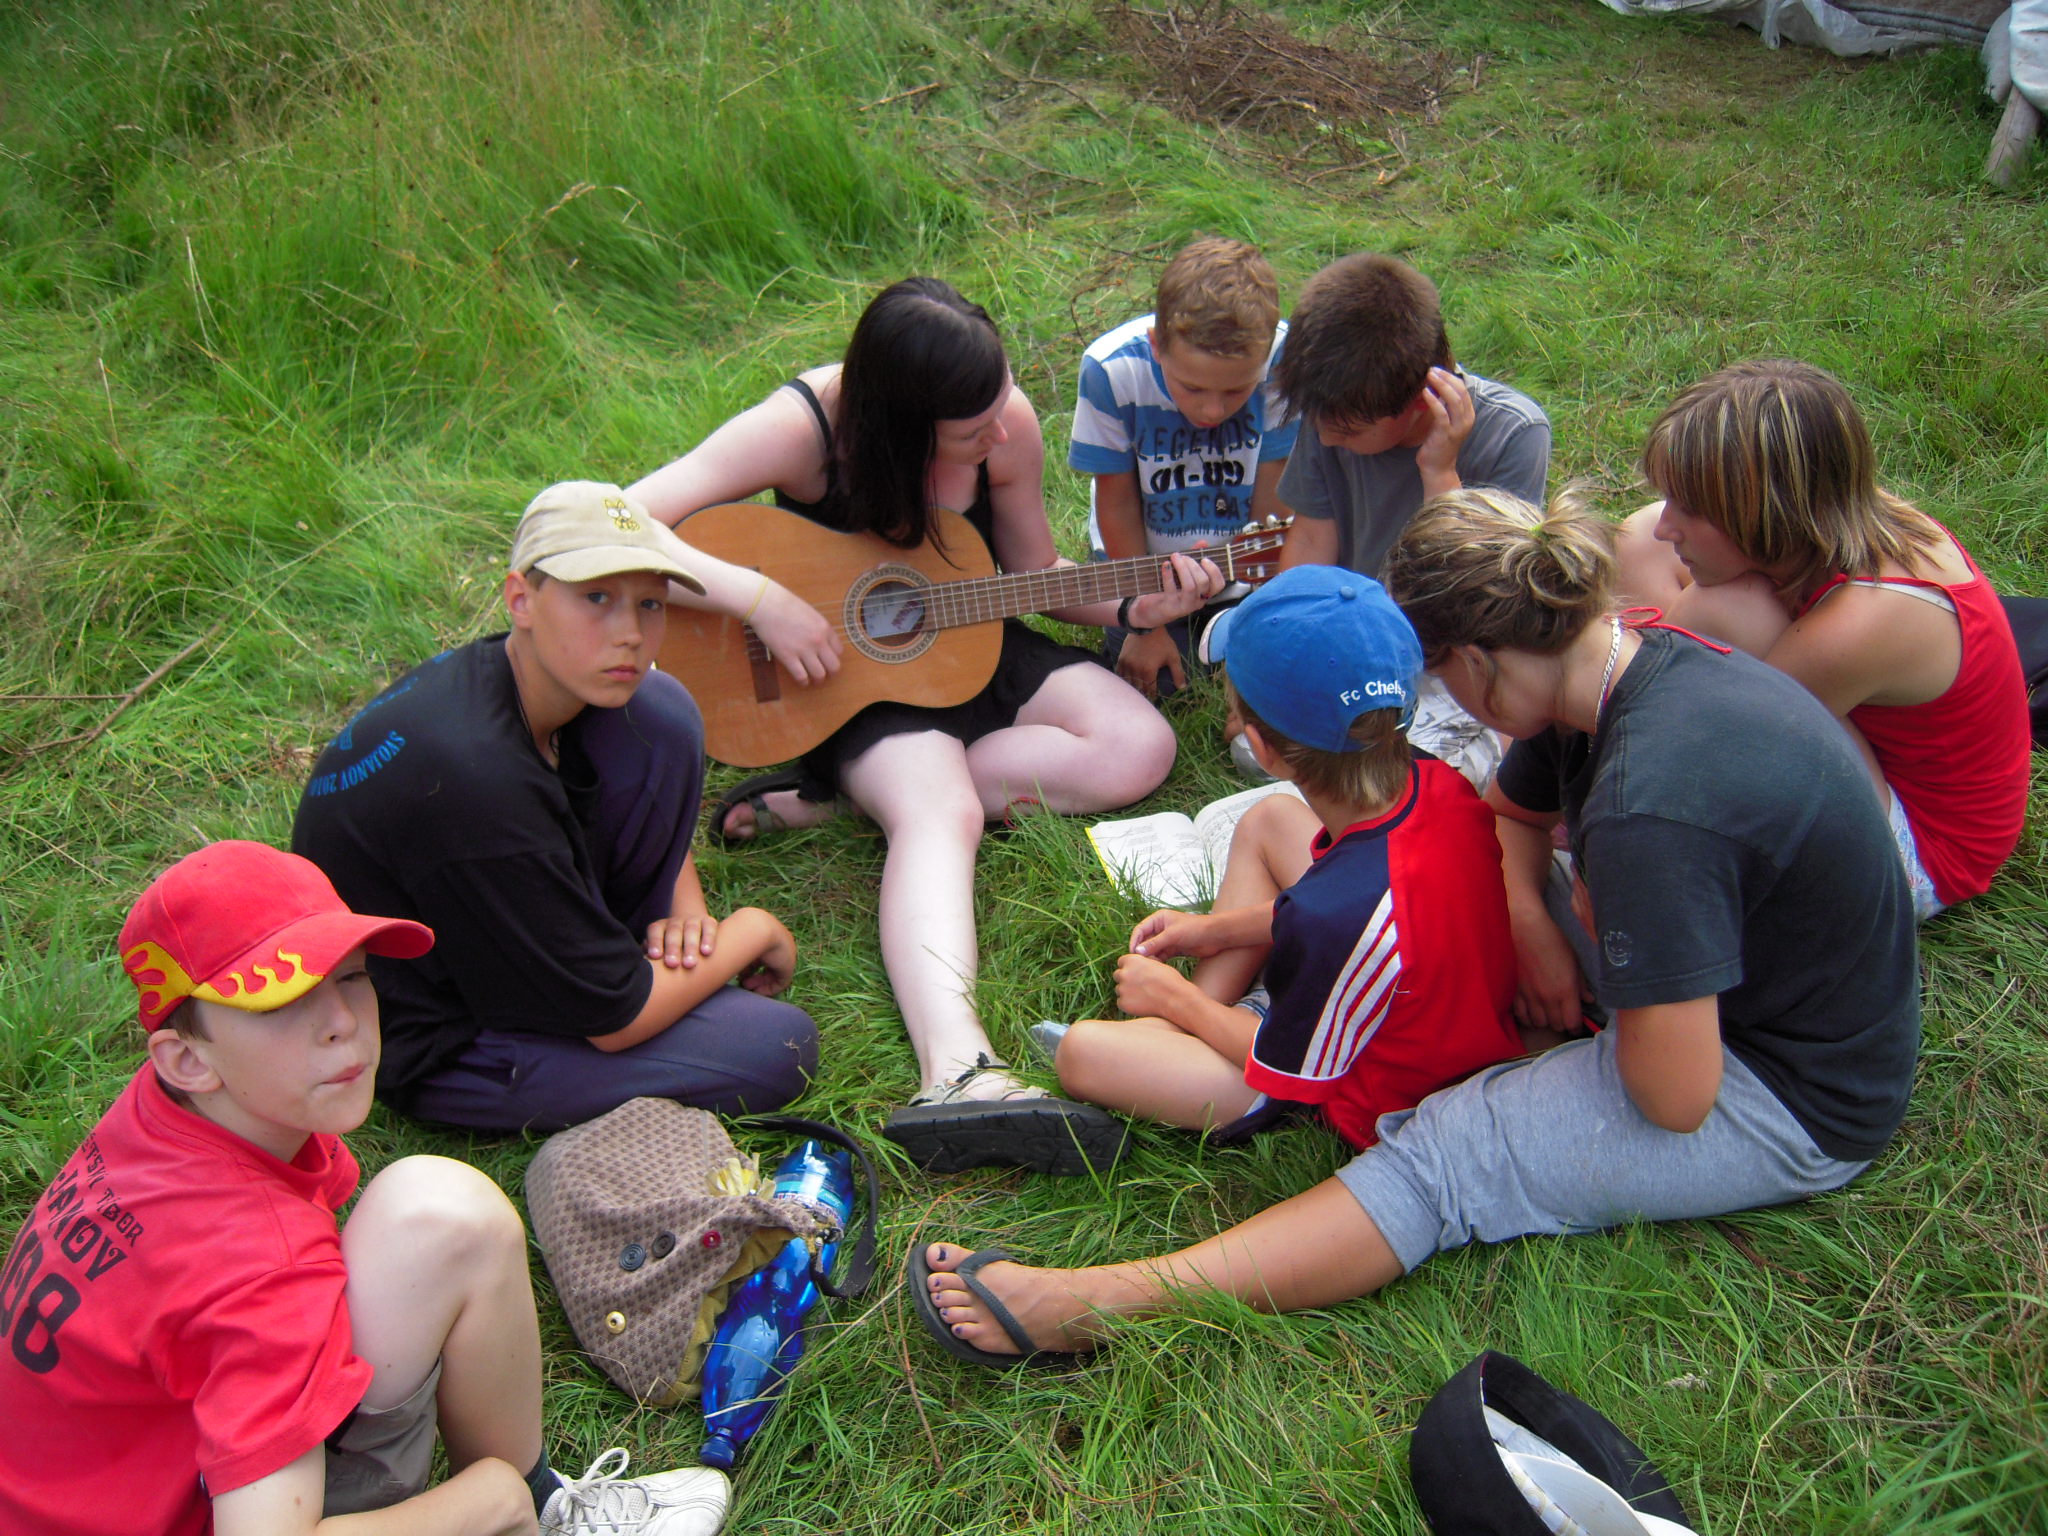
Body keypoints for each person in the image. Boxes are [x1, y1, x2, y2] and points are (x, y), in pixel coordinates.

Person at [907, 488, 1918, 1366]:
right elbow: (1513, 816)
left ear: (1475, 662)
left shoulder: (1645, 810)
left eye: (1438, 684)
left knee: (1444, 1156)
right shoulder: (1609, 671)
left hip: (1777, 1085)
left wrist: (1590, 952)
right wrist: (1532, 923)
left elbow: (1674, 1094)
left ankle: (1097, 1303)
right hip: (1729, 963)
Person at [627, 277, 1222, 1173]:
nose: (1001, 435)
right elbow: (613, 516)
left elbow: (1038, 573)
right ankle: (957, 1071)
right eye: (972, 431)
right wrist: (760, 600)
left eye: (1000, 408)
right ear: (901, 421)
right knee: (943, 811)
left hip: (972, 636)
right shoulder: (806, 427)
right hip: (840, 680)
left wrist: (1141, 604)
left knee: (1142, 745)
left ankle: (854, 800)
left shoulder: (1001, 421)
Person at [0, 840, 730, 1536]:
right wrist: (490, 1505)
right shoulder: (256, 1266)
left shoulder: (174, 1112)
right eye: (280, 1001)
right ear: (186, 1059)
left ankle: (539, 1496)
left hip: (77, 1490)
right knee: (491, 1488)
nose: (343, 1023)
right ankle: (528, 1505)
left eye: (350, 975)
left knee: (445, 1214)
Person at [292, 481, 817, 1133]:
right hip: (441, 1034)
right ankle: (589, 984)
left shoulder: (525, 676)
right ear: (521, 599)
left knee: (659, 713)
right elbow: (618, 1023)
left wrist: (687, 912)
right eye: (596, 598)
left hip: (492, 919)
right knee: (776, 1048)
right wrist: (755, 930)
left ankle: (612, 953)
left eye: (650, 603)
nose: (631, 634)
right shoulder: (478, 781)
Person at [1043, 565, 1521, 1148]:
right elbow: (1334, 908)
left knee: (1082, 1053)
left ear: (1262, 749)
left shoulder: (1342, 915)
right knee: (1270, 819)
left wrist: (1176, 996)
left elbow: (1289, 1058)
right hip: (1423, 993)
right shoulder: (1438, 782)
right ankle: (1180, 1026)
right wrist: (1214, 930)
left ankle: (1179, 1022)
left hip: (1362, 1078)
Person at [1613, 358, 2030, 917]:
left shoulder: (1860, 625)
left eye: (1691, 508)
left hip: (1916, 853)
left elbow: (1717, 755)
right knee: (1640, 539)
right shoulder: (1829, 516)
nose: (1670, 523)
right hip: (1850, 744)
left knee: (1723, 612)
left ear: (1768, 510)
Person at [1069, 235, 1299, 698]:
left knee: (1276, 674)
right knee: (1163, 685)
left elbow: (1274, 494)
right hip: (1140, 563)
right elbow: (1117, 504)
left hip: (1242, 561)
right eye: (1192, 388)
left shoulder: (1285, 359)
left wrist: (1262, 607)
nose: (1213, 410)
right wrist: (1145, 622)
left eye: (1236, 391)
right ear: (1156, 346)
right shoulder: (1110, 371)